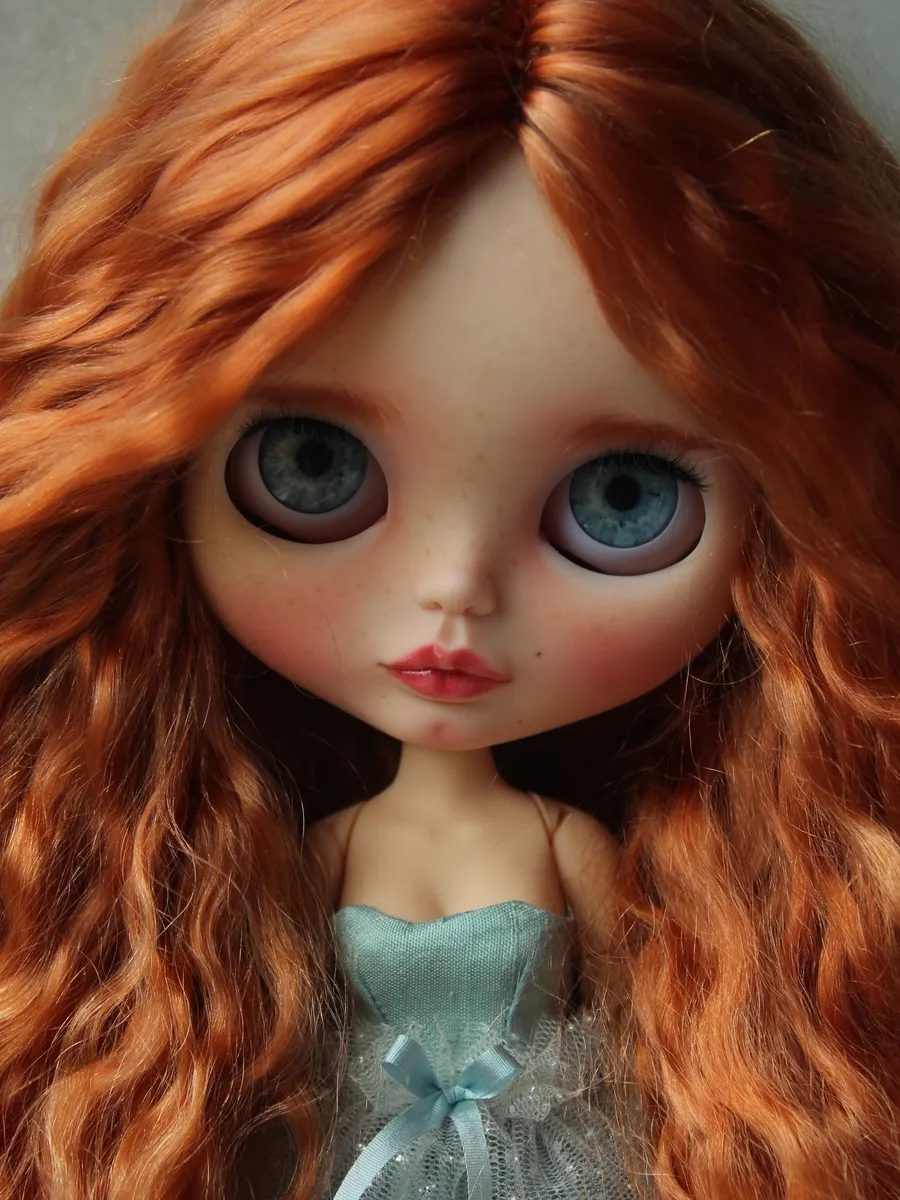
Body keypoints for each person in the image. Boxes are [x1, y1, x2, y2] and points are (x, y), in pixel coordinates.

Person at [0, 1, 898, 1199]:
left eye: (622, 500)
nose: (454, 594)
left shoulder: (565, 845)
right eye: (314, 468)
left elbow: (640, 1016)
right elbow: (275, 1016)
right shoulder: (324, 851)